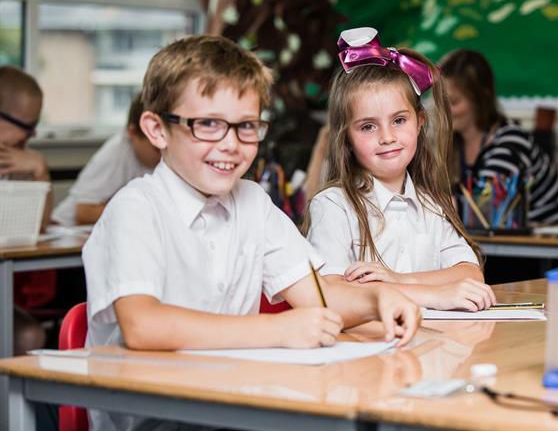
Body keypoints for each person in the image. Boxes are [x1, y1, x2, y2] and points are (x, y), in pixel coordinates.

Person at [82, 34, 420, 431]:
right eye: (208, 124)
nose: (230, 144)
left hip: (233, 404)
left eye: (246, 126)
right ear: (157, 129)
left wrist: (376, 298)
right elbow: (143, 326)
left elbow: (319, 297)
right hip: (156, 415)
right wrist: (276, 329)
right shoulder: (136, 207)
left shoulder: (253, 202)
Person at [304, 27, 495, 312]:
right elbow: (328, 295)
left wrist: (397, 281)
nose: (387, 137)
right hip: (367, 340)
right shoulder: (333, 206)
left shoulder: (432, 204)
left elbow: (471, 274)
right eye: (368, 126)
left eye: (399, 120)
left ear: (419, 122)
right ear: (346, 138)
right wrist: (433, 294)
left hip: (433, 338)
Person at [437, 49, 558, 224]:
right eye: (440, 100)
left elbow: (484, 210)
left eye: (453, 101)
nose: (444, 109)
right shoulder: (454, 143)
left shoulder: (512, 141)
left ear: (481, 98)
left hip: (557, 239)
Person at [0, 65, 51, 355]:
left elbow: (39, 226)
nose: (31, 135)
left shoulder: (16, 159)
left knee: (29, 336)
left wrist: (40, 171)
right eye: (25, 126)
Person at [52, 93, 160, 226]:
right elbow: (84, 211)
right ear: (132, 133)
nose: (162, 155)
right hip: (66, 228)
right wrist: (142, 213)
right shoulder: (117, 153)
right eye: (156, 149)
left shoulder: (152, 157)